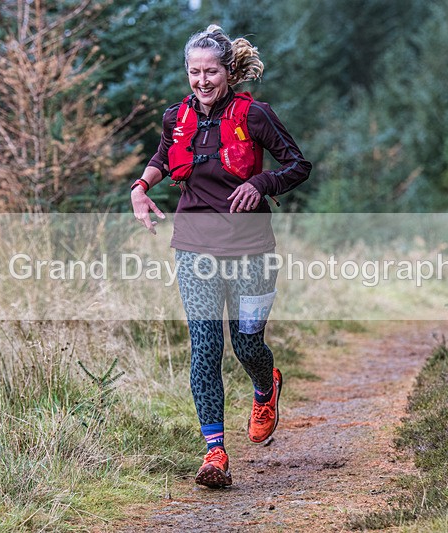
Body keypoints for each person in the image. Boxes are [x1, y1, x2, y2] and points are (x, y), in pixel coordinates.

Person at [129, 25, 311, 488]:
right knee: (205, 348)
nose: (202, 80)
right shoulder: (177, 116)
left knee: (247, 342)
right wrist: (141, 186)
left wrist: (260, 183)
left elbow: (297, 164)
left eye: (210, 71)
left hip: (251, 250)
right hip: (193, 247)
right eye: (194, 72)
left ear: (228, 71)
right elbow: (164, 153)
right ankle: (214, 453)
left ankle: (265, 385)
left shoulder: (255, 115)